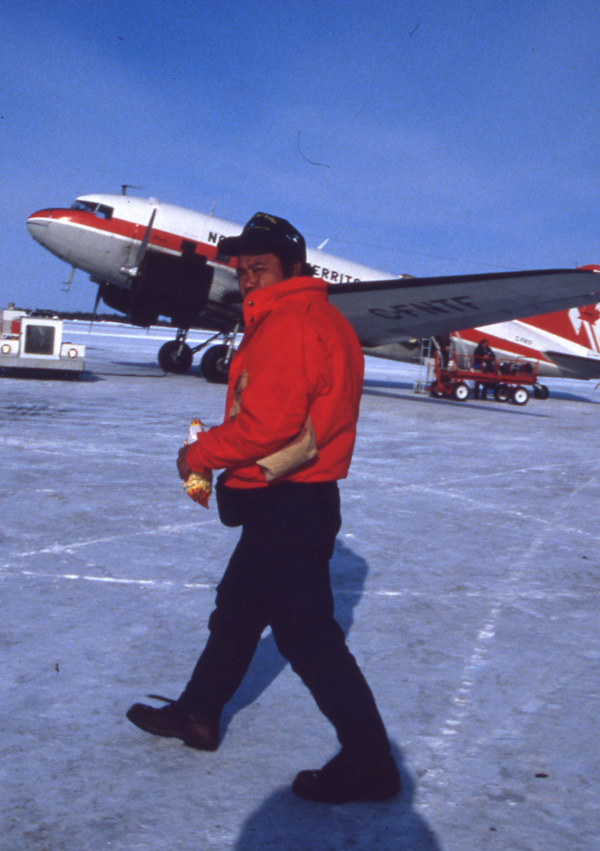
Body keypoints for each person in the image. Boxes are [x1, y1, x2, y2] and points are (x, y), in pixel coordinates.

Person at [126, 212, 400, 804]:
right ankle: (198, 713)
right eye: (242, 267)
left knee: (308, 639)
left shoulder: (291, 324)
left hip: (290, 503)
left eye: (261, 267)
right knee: (237, 612)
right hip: (293, 498)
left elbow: (270, 425)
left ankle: (371, 763)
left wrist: (199, 453)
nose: (248, 277)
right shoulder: (304, 317)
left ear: (293, 270)